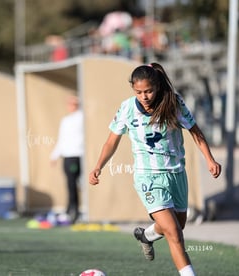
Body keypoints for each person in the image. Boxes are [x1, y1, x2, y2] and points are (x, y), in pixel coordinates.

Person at [89, 63, 221, 276]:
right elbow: (111, 142)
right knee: (174, 234)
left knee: (179, 225)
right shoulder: (127, 108)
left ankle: (147, 236)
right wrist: (98, 166)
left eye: (148, 91)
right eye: (139, 92)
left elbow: (195, 131)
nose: (144, 96)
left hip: (176, 173)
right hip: (148, 177)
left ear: (157, 86)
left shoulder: (173, 103)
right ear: (133, 89)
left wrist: (210, 159)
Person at [50, 95, 84, 223]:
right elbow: (62, 139)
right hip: (67, 156)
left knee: (75, 183)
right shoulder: (65, 120)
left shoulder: (82, 117)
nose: (70, 105)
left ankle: (74, 210)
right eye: (69, 103)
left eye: (73, 103)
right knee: (70, 184)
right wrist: (54, 155)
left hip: (77, 155)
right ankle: (70, 209)